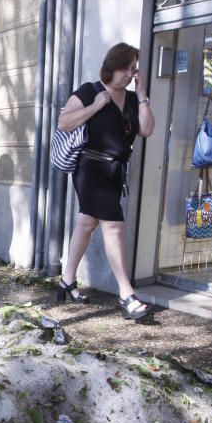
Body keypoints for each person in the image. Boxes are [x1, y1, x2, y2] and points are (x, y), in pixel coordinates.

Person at [56, 42, 155, 320]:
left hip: (115, 172)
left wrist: (143, 95)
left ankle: (66, 281)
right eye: (127, 67)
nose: (130, 74)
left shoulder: (133, 99)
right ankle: (127, 294)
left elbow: (146, 129)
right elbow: (64, 122)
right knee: (113, 225)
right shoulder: (90, 91)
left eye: (134, 69)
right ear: (112, 66)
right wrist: (96, 106)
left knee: (86, 223)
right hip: (89, 169)